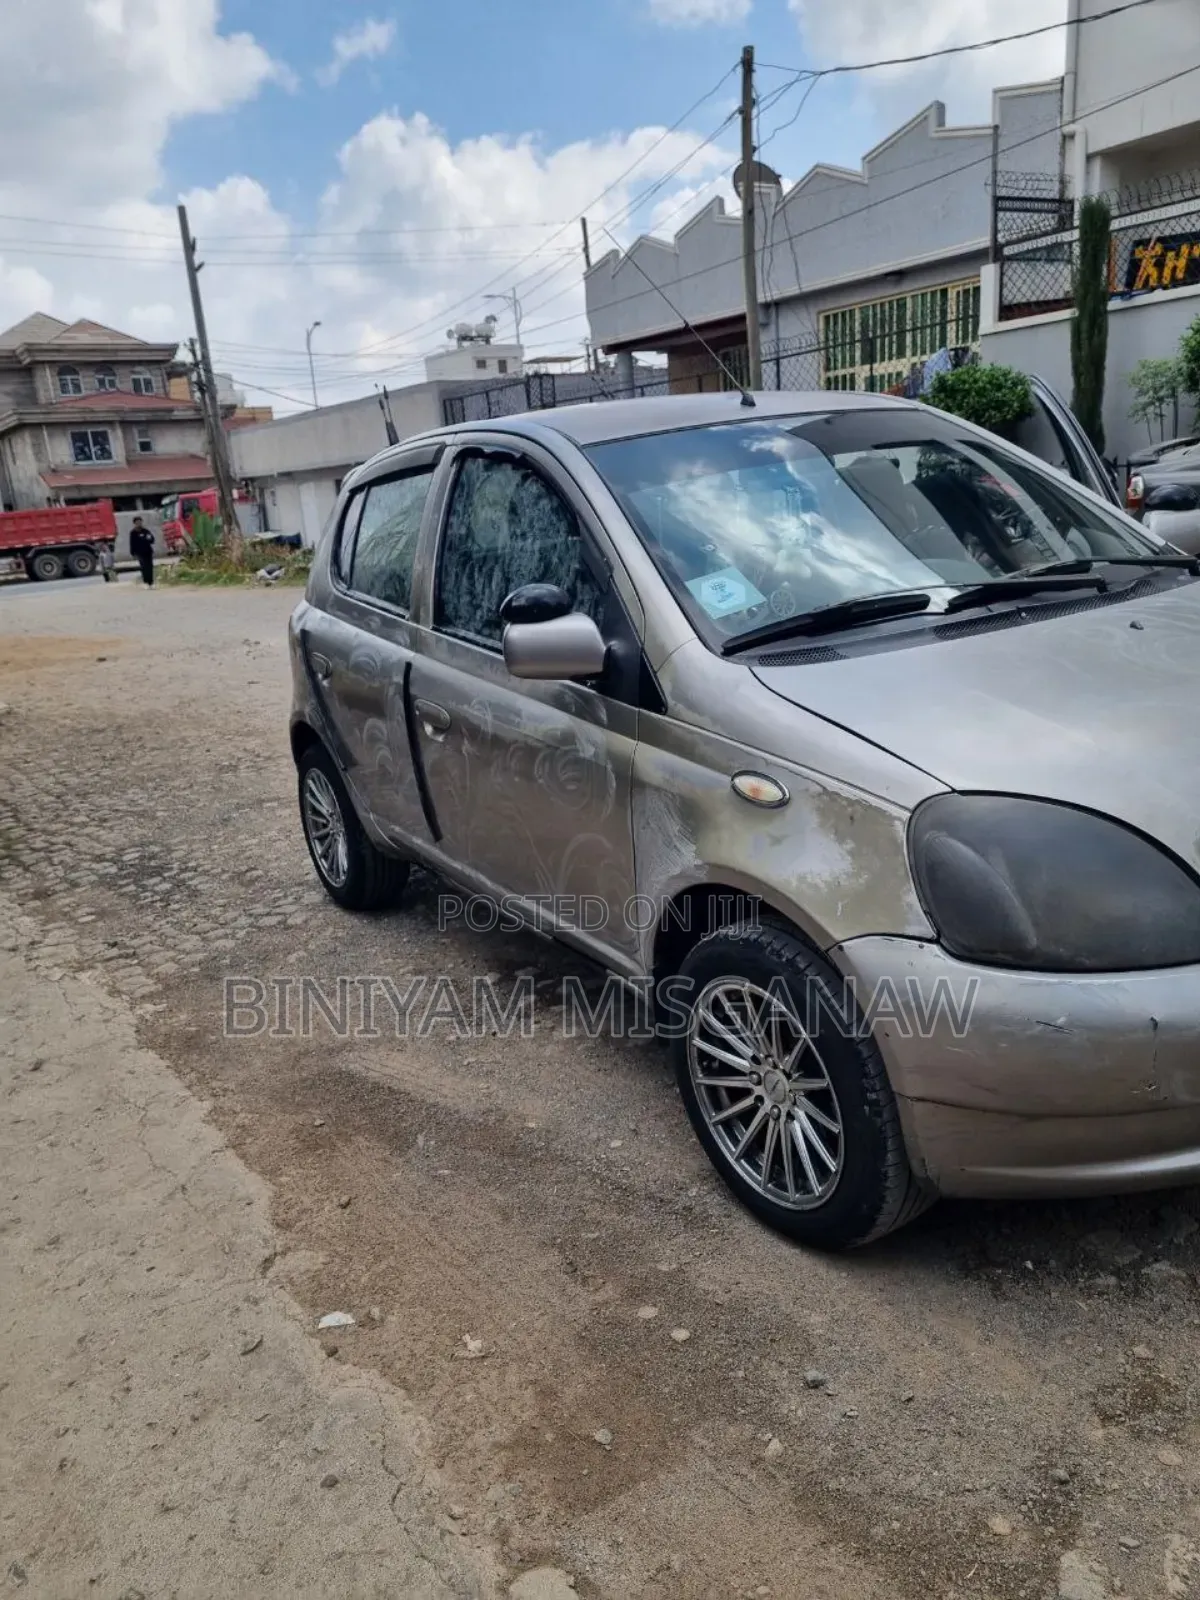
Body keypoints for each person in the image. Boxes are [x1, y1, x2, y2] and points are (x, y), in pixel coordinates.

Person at [129, 516, 155, 587]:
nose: (139, 524)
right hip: (139, 553)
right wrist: (133, 553)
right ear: (134, 523)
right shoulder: (133, 533)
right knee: (143, 567)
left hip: (148, 551)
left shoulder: (146, 531)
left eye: (140, 522)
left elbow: (152, 540)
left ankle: (151, 582)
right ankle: (146, 582)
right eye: (137, 522)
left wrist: (150, 538)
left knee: (150, 567)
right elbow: (132, 543)